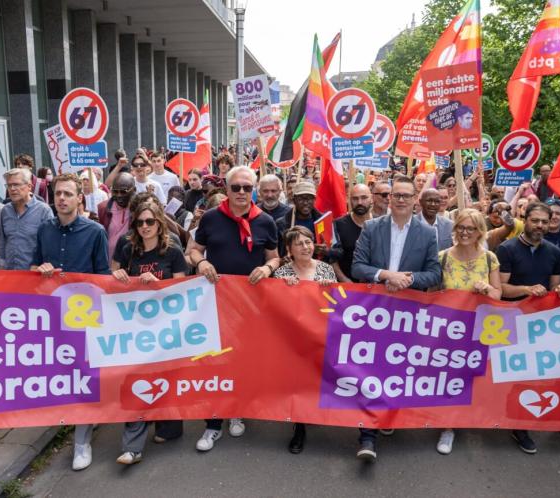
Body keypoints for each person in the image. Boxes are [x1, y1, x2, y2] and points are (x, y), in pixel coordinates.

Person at [186, 166, 280, 452]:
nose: (242, 193)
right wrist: (201, 263)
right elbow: (194, 250)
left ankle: (237, 409)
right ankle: (213, 424)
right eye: (236, 187)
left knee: (242, 359)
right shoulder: (212, 218)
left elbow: (275, 258)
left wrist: (266, 268)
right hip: (216, 301)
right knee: (214, 360)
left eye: (247, 188)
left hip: (251, 304)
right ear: (226, 189)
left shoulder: (265, 222)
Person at [351, 175, 442, 462]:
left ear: (416, 200)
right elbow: (357, 267)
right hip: (374, 311)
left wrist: (407, 279)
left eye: (406, 195)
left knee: (397, 371)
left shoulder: (428, 234)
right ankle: (368, 435)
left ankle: (388, 416)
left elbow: (435, 274)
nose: (401, 199)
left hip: (407, 314)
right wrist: (384, 275)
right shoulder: (372, 227)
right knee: (372, 370)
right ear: (389, 199)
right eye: (396, 195)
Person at [30, 173, 110, 471]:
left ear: (80, 198)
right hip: (51, 313)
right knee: (60, 373)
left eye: (67, 193)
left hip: (84, 316)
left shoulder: (95, 231)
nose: (61, 198)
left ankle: (81, 441)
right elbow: (33, 265)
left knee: (84, 375)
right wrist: (40, 269)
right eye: (57, 193)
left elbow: (103, 275)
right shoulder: (44, 230)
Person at [110, 202, 188, 465]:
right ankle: (133, 447)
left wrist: (159, 285)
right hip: (136, 329)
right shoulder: (127, 248)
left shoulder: (173, 251)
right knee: (137, 381)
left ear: (159, 224)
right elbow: (113, 273)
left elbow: (182, 292)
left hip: (166, 329)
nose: (144, 226)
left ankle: (170, 427)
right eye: (140, 222)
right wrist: (117, 274)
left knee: (166, 378)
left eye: (149, 222)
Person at [496, 202, 560, 454]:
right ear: (525, 219)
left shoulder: (555, 252)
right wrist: (527, 290)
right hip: (510, 320)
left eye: (544, 221)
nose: (539, 226)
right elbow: (502, 289)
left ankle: (524, 423)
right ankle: (503, 419)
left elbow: (554, 287)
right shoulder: (506, 249)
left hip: (541, 324)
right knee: (506, 374)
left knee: (532, 377)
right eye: (534, 220)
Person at [436, 208, 502, 456]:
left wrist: (486, 288)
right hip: (448, 330)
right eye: (460, 227)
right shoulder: (442, 257)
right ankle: (448, 426)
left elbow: (498, 294)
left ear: (479, 232)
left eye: (470, 228)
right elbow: (432, 293)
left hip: (478, 329)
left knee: (471, 377)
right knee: (448, 377)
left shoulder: (489, 259)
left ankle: (467, 417)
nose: (464, 232)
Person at [272, 226, 337, 454]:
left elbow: (336, 305)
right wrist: (283, 290)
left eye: (308, 242)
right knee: (298, 382)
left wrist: (331, 291)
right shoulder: (281, 275)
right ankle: (299, 427)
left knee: (317, 379)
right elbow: (275, 310)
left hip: (320, 335)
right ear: (289, 250)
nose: (305, 247)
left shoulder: (327, 270)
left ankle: (315, 413)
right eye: (299, 243)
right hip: (293, 339)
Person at [0, 168, 54, 270]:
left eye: (16, 184)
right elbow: (4, 240)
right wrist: (2, 265)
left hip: (34, 275)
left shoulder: (44, 211)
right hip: (10, 273)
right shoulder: (5, 210)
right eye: (9, 185)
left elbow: (50, 245)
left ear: (29, 186)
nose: (12, 189)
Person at [331, 184, 372, 282]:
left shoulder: (380, 224)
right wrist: (343, 279)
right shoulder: (338, 224)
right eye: (355, 199)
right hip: (347, 287)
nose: (360, 202)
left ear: (372, 199)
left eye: (364, 198)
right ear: (349, 201)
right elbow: (332, 258)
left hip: (374, 286)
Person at [275, 181, 322, 256]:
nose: (305, 203)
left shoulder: (323, 221)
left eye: (309, 199)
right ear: (294, 200)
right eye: (301, 199)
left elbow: (338, 251)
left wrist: (327, 251)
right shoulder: (282, 224)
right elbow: (278, 253)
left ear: (314, 200)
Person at [97, 172, 136, 259]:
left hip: (132, 261)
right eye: (115, 191)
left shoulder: (139, 209)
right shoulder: (103, 208)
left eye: (123, 192)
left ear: (134, 190)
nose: (119, 195)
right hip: (108, 261)